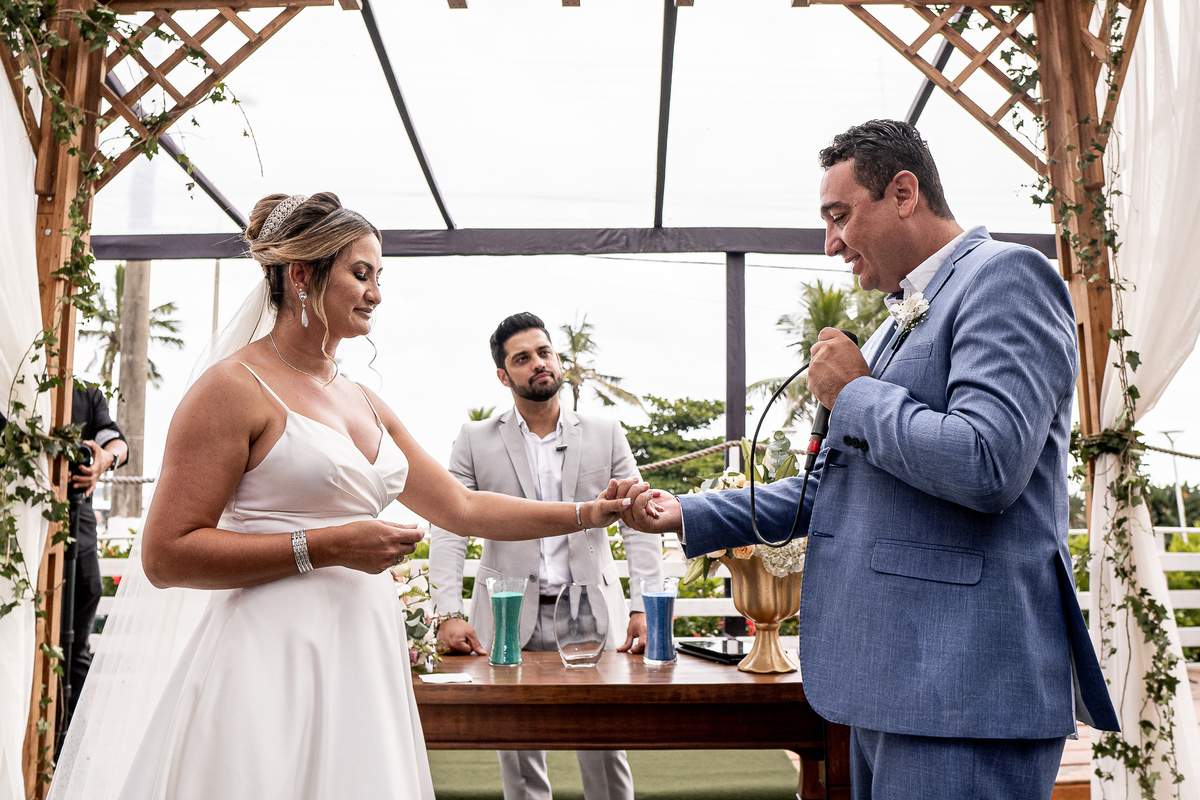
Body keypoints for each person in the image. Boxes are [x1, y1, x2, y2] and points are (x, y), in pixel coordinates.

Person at [51, 193, 634, 800]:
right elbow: (166, 556)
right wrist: (328, 546)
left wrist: (592, 512)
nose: (377, 293)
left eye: (379, 276)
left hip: (363, 660)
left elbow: (461, 508)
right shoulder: (230, 389)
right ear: (302, 275)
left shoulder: (364, 400)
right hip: (269, 662)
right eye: (361, 274)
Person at [612, 120, 1119, 800]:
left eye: (839, 216)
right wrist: (684, 513)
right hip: (891, 679)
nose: (831, 243)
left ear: (904, 193)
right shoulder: (893, 318)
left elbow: (987, 460)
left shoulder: (1008, 278)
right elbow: (831, 489)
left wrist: (854, 392)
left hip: (961, 683)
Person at [429, 312, 662, 800]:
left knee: (605, 748)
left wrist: (644, 606)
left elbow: (643, 523)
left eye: (544, 352)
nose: (538, 363)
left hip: (591, 613)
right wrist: (446, 613)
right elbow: (449, 527)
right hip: (508, 613)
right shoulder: (474, 439)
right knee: (517, 749)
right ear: (503, 375)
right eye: (522, 358)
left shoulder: (606, 432)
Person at [58, 382, 128, 743]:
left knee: (86, 598)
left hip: (78, 517)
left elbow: (117, 443)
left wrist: (104, 459)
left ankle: (72, 742)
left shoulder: (86, 393)